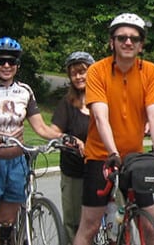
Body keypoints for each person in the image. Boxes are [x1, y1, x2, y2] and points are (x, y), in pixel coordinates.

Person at [72, 13, 154, 245]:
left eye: (134, 39)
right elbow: (101, 117)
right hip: (101, 156)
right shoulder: (97, 71)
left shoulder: (150, 70)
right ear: (111, 41)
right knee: (91, 225)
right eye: (121, 37)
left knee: (149, 226)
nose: (128, 42)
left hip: (135, 158)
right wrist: (112, 153)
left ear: (141, 44)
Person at [0, 37, 64, 245]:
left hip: (15, 162)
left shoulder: (25, 91)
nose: (7, 66)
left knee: (6, 223)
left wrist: (65, 138)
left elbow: (41, 128)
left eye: (12, 62)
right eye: (1, 61)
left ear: (18, 65)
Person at [49, 51, 95, 242]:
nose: (78, 77)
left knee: (111, 220)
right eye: (74, 73)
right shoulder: (67, 104)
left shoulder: (104, 100)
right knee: (74, 223)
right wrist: (70, 139)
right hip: (74, 170)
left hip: (101, 169)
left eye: (83, 71)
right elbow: (53, 132)